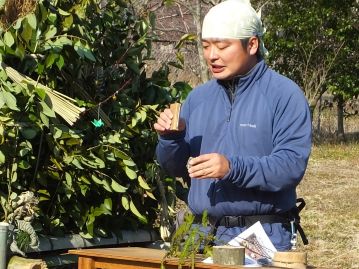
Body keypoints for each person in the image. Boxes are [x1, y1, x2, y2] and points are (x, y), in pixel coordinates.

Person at [154, 0, 312, 252]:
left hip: (261, 236)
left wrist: (231, 167)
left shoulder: (285, 95)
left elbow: (290, 167)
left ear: (252, 44)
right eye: (206, 46)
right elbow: (172, 168)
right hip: (199, 235)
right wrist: (171, 138)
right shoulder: (198, 98)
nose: (211, 55)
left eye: (222, 46)